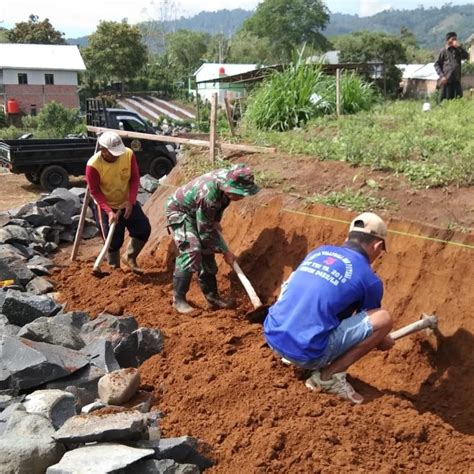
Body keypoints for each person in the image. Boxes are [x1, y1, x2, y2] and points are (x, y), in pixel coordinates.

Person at [263, 212, 394, 404]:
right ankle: (328, 377)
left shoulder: (319, 252)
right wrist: (384, 339)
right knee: (383, 319)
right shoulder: (369, 279)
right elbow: (371, 324)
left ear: (348, 237)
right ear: (377, 246)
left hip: (272, 335)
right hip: (307, 354)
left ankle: (291, 353)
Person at [166, 163, 260, 314]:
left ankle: (212, 297)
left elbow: (219, 205)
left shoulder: (227, 182)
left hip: (199, 211)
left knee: (207, 250)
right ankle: (179, 300)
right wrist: (225, 251)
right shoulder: (208, 195)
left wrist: (215, 220)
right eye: (240, 193)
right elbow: (204, 232)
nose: (241, 197)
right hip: (181, 211)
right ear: (230, 188)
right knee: (192, 250)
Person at [86, 131, 151, 274]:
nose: (117, 155)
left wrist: (131, 201)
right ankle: (114, 270)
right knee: (113, 242)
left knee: (143, 229)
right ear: (103, 150)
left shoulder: (128, 154)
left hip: (126, 201)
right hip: (105, 205)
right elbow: (95, 191)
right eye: (112, 152)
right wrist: (109, 212)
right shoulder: (93, 165)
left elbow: (134, 178)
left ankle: (129, 256)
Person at [434, 31, 469, 101]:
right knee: (444, 101)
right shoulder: (443, 51)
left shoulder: (458, 50)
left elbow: (466, 56)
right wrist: (442, 76)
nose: (455, 41)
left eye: (455, 39)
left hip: (456, 80)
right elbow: (437, 65)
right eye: (453, 39)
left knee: (458, 100)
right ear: (448, 40)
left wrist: (459, 47)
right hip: (446, 80)